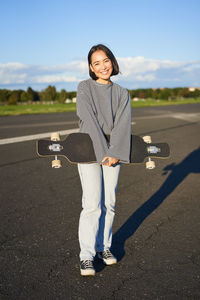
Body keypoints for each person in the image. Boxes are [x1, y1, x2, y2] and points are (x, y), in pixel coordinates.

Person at [76, 44, 132, 276]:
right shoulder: (84, 87)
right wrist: (102, 153)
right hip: (88, 151)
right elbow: (87, 120)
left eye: (105, 60)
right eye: (96, 63)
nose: (102, 66)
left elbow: (122, 125)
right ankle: (86, 256)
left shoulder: (122, 93)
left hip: (113, 153)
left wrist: (114, 152)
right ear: (91, 67)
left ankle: (104, 248)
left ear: (112, 61)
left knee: (109, 203)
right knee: (92, 205)